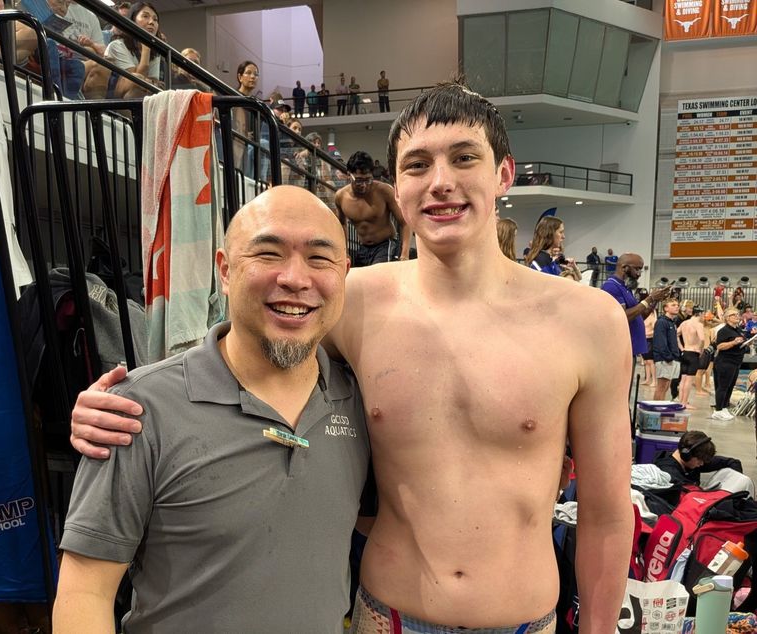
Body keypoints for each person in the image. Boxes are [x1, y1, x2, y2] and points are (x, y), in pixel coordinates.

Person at [70, 82, 634, 632]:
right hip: (386, 613)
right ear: (398, 189)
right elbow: (247, 355)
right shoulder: (353, 300)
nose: (441, 182)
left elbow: (607, 516)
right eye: (417, 165)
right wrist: (126, 404)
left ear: (503, 174)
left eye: (464, 158)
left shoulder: (588, 321)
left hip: (524, 615)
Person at [53, 187, 369, 632]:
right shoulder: (136, 412)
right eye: (268, 253)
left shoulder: (360, 402)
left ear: (344, 273)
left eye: (319, 258)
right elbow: (85, 592)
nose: (296, 278)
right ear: (225, 270)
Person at [601, 254, 672, 384]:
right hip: (620, 350)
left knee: (625, 388)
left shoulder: (625, 288)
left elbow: (639, 316)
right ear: (624, 267)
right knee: (619, 388)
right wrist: (649, 298)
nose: (639, 274)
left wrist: (655, 300)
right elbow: (622, 317)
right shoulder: (611, 286)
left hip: (630, 349)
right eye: (637, 269)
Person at [335, 150, 410, 266]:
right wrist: (344, 252)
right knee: (358, 277)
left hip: (385, 245)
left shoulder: (384, 191)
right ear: (349, 174)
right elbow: (342, 225)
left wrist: (404, 255)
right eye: (359, 180)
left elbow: (404, 222)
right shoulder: (341, 197)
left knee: (378, 275)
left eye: (368, 179)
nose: (364, 185)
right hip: (363, 248)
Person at [104, 1, 162, 99]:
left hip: (137, 95)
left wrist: (152, 82)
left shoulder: (155, 52)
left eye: (155, 19)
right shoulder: (117, 45)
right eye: (145, 16)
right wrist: (146, 48)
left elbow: (154, 81)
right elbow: (136, 81)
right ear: (133, 20)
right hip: (113, 95)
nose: (151, 22)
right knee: (138, 81)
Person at [653, 431, 745, 488]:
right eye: (700, 460)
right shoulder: (668, 473)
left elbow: (733, 462)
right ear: (686, 455)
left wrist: (735, 483)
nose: (701, 464)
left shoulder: (693, 461)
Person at [712, 307, 748, 420]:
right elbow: (720, 346)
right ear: (727, 318)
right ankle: (718, 410)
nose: (737, 316)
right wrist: (733, 342)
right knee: (722, 386)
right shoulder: (724, 331)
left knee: (730, 386)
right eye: (734, 315)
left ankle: (724, 407)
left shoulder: (738, 330)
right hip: (725, 362)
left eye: (738, 314)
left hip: (736, 362)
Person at [652, 298, 682, 401]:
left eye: (677, 305)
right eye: (673, 305)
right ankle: (656, 408)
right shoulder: (662, 322)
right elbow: (660, 342)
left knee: (666, 387)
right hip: (664, 359)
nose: (676, 307)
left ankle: (660, 406)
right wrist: (668, 357)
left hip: (671, 358)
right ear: (666, 308)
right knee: (661, 387)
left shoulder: (672, 323)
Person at [676, 306, 705, 409]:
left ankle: (680, 401)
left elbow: (675, 334)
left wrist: (681, 348)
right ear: (700, 314)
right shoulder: (698, 325)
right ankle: (685, 403)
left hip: (685, 352)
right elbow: (702, 339)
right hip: (694, 353)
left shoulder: (684, 323)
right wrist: (700, 350)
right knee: (689, 380)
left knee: (683, 379)